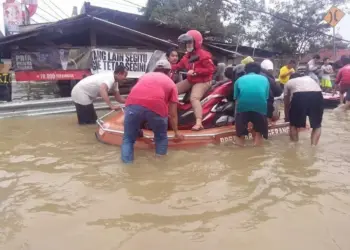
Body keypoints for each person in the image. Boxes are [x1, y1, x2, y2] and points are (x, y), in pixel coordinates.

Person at [121, 60, 184, 164]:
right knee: (160, 138)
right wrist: (176, 133)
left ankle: (127, 167)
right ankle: (159, 166)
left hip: (132, 103)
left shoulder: (144, 76)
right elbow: (172, 114)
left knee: (128, 139)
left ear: (155, 69)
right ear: (169, 72)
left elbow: (137, 94)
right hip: (156, 107)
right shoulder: (171, 84)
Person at [172, 29, 216, 131]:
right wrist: (164, 68)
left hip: (203, 81)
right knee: (172, 90)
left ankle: (199, 122)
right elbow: (178, 66)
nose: (188, 45)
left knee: (194, 98)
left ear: (196, 42)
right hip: (191, 80)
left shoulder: (204, 55)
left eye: (190, 42)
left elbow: (211, 69)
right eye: (187, 43)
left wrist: (196, 71)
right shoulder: (187, 56)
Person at [234, 62, 270, 147]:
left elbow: (236, 99)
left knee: (240, 134)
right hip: (260, 107)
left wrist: (237, 118)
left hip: (243, 107)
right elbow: (266, 97)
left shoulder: (239, 80)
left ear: (245, 70)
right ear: (259, 71)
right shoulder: (265, 79)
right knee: (259, 133)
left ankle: (239, 151)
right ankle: (257, 150)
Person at [284, 73, 323, 146]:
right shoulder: (310, 79)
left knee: (293, 125)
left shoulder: (289, 82)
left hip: (299, 96)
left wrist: (287, 117)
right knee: (317, 125)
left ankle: (294, 145)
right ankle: (313, 146)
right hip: (318, 95)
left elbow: (286, 103)